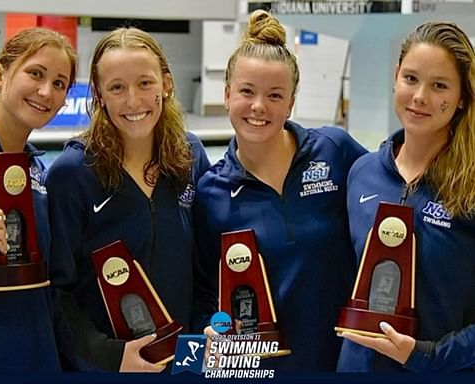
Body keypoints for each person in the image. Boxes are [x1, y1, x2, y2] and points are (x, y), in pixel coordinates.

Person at [193, 10, 367, 372]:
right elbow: (207, 293)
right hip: (263, 369)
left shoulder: (335, 151)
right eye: (246, 91)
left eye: (275, 95)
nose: (259, 106)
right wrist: (213, 333)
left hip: (347, 361)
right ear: (226, 95)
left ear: (290, 103)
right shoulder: (211, 193)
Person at [46, 27, 212, 372]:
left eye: (145, 83)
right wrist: (108, 355)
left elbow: (206, 270)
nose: (133, 101)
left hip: (184, 363)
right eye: (117, 87)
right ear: (99, 94)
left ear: (166, 84)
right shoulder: (72, 174)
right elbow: (57, 292)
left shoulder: (189, 156)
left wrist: (206, 331)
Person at [338, 21, 475, 372]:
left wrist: (425, 355)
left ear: (462, 98)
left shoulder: (470, 185)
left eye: (439, 85)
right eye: (411, 79)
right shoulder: (362, 174)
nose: (420, 97)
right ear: (396, 75)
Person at [0, 27, 76, 372]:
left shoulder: (39, 173)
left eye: (60, 83)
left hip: (37, 357)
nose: (46, 91)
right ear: (0, 74)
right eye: (35, 73)